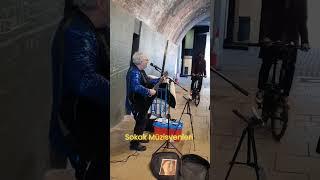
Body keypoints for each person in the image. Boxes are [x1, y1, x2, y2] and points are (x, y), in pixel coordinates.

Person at [50, 0, 109, 179]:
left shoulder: (88, 27)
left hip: (89, 128)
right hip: (84, 131)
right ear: (100, 3)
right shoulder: (77, 30)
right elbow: (85, 81)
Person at [256, 0, 309, 106]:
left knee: (289, 65)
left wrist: (305, 41)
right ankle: (261, 89)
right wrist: (264, 36)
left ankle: (285, 95)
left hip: (291, 36)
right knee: (267, 61)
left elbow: (302, 20)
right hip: (272, 34)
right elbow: (266, 16)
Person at [126, 52, 166, 151]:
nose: (148, 61)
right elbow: (135, 87)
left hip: (141, 101)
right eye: (146, 60)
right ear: (140, 61)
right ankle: (134, 144)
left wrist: (159, 80)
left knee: (143, 120)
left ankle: (138, 138)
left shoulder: (141, 71)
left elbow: (147, 80)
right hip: (136, 102)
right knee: (141, 121)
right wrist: (148, 91)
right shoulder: (134, 72)